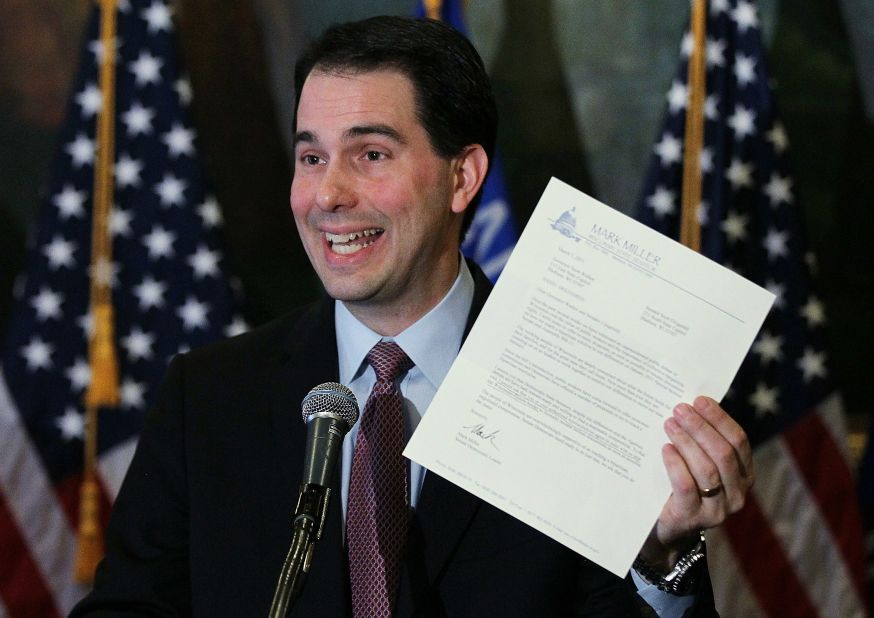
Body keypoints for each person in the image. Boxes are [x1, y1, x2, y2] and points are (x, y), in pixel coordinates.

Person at [72, 16, 753, 617]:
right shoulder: (209, 396)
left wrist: (662, 559)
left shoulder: (577, 387)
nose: (327, 195)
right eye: (311, 157)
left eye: (370, 155)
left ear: (462, 178)